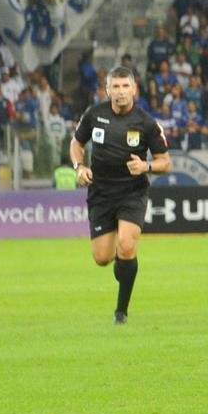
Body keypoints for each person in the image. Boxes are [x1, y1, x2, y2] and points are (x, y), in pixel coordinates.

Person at [69, 66, 172, 324]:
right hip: (101, 193)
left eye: (125, 86)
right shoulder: (94, 114)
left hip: (132, 192)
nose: (121, 92)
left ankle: (121, 312)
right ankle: (124, 266)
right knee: (102, 258)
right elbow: (76, 143)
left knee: (126, 245)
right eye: (115, 86)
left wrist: (146, 166)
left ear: (134, 89)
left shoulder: (147, 123)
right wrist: (79, 167)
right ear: (107, 90)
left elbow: (165, 162)